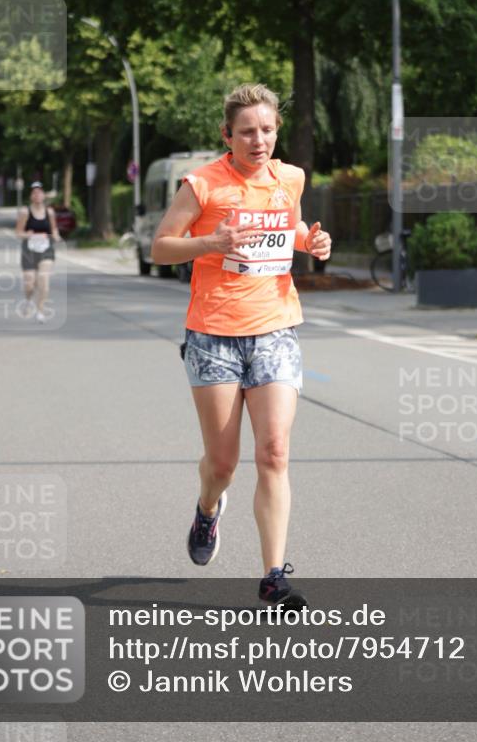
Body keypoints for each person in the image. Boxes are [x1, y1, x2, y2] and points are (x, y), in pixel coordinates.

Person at [152, 83, 332, 608]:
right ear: (227, 135)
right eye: (248, 132)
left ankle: (273, 577)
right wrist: (211, 242)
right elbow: (161, 247)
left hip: (275, 327)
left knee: (274, 451)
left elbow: (288, 228)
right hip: (214, 335)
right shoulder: (202, 184)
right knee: (223, 462)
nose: (259, 140)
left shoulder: (290, 178)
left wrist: (311, 240)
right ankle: (208, 509)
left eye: (268, 130)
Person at [16, 181, 61, 323]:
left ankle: (40, 311)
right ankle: (29, 300)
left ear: (44, 195)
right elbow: (18, 232)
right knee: (30, 283)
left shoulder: (49, 212)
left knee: (43, 279)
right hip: (29, 250)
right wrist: (27, 234)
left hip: (46, 249)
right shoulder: (25, 212)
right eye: (34, 192)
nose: (37, 195)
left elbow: (53, 229)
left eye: (39, 192)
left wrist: (56, 235)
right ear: (31, 196)